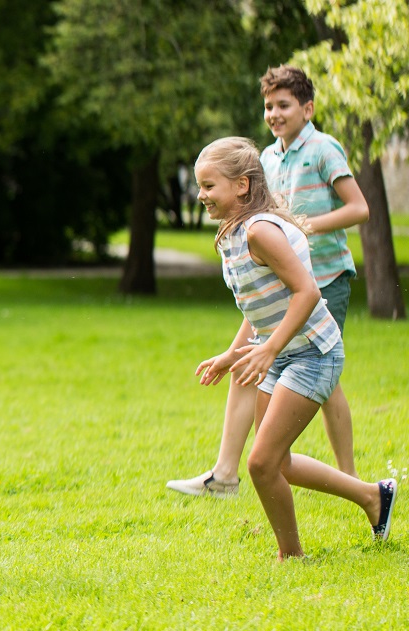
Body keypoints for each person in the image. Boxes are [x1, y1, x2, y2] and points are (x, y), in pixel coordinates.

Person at [167, 65, 369, 497]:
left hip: (323, 276)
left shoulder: (323, 149)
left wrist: (298, 228)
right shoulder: (269, 157)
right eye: (268, 106)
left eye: (283, 105)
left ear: (307, 108)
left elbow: (359, 209)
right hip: (276, 275)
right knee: (258, 363)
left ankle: (352, 480)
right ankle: (225, 472)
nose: (274, 113)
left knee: (323, 376)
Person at [190, 136, 395, 559]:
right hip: (284, 354)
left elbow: (306, 292)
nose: (201, 195)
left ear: (242, 185)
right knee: (276, 462)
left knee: (261, 463)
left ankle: (292, 555)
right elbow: (259, 303)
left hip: (313, 353)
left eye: (209, 186)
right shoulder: (234, 233)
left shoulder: (260, 231)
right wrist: (234, 354)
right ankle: (373, 497)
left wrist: (268, 350)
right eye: (200, 185)